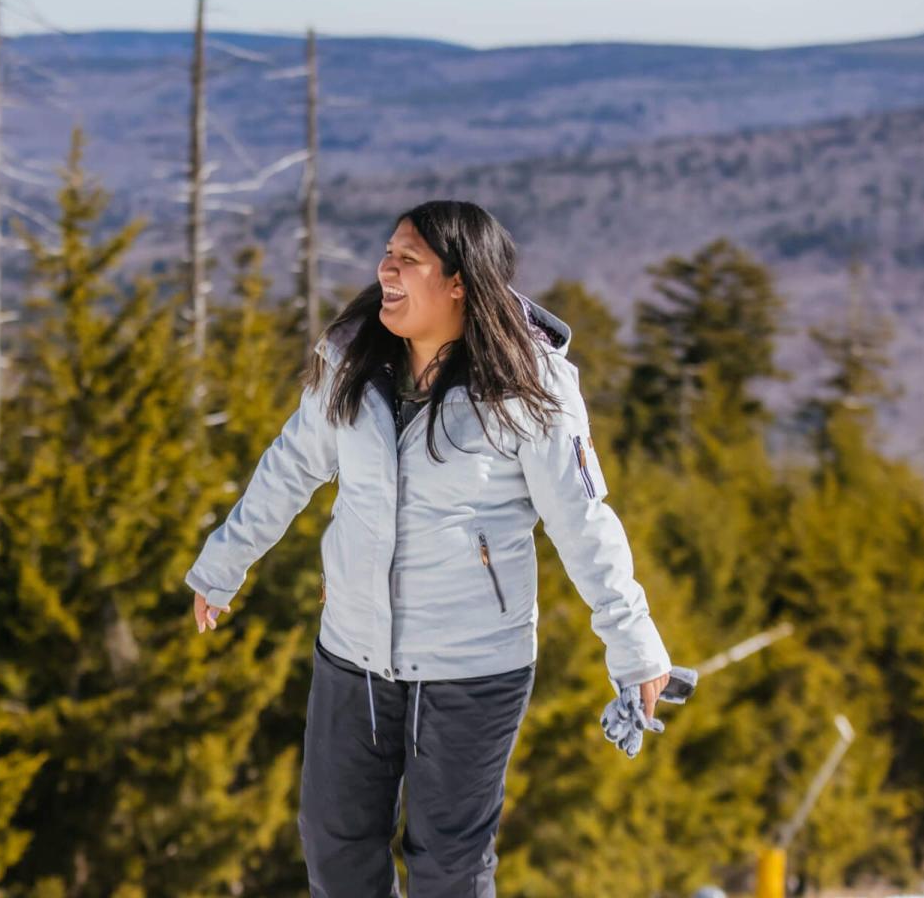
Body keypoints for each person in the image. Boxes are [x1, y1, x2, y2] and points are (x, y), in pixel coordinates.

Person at [184, 200, 676, 897]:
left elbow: (582, 517)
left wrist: (632, 640)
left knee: (448, 865)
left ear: (459, 283)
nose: (386, 268)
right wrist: (223, 562)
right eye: (388, 253)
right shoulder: (351, 359)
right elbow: (290, 464)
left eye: (408, 259)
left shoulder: (528, 385)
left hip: (473, 668)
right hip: (353, 653)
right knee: (334, 849)